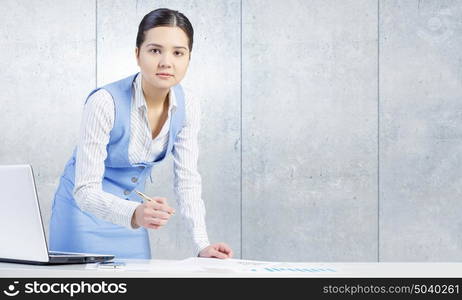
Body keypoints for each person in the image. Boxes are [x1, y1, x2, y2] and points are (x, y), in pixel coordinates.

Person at [48, 8, 233, 259]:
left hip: (134, 219)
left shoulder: (188, 104)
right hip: (83, 215)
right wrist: (134, 213)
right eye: (155, 50)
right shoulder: (104, 102)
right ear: (138, 54)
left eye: (178, 52)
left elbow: (188, 179)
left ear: (189, 58)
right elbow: (85, 191)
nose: (166, 62)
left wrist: (201, 244)